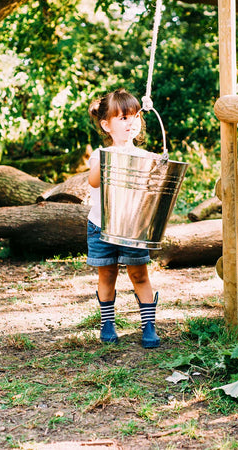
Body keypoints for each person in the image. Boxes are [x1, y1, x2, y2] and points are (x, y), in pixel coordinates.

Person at [87, 88, 160, 348]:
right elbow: (94, 182)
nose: (131, 123)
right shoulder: (100, 155)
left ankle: (148, 325)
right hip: (102, 226)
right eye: (123, 118)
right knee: (106, 275)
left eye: (135, 117)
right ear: (107, 125)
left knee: (139, 275)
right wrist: (104, 160)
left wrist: (159, 166)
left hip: (132, 228)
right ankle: (107, 323)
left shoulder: (145, 157)